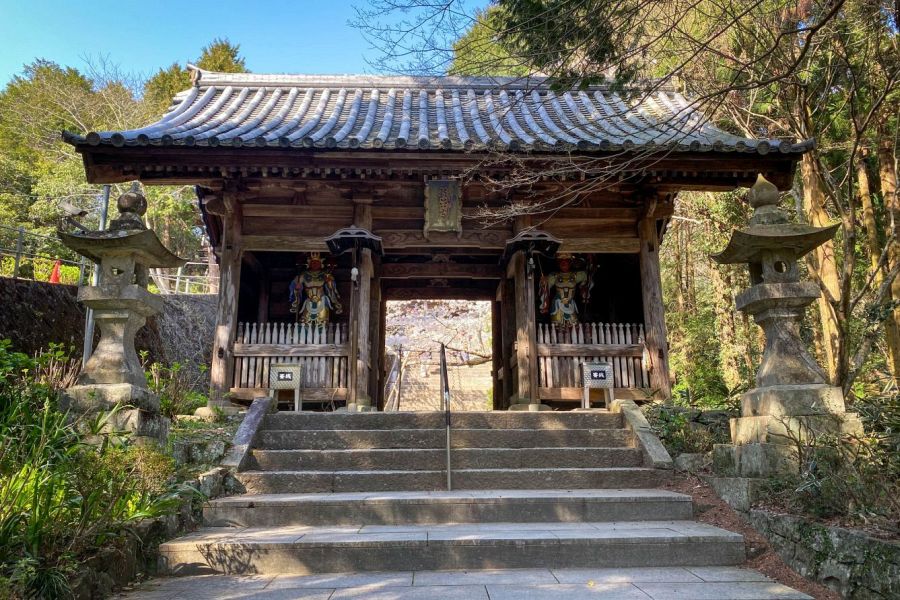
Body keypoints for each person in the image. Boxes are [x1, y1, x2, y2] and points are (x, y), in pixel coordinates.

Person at [289, 253, 342, 327]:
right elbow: (294, 285)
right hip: (309, 301)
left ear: (321, 264)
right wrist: (297, 287)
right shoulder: (303, 274)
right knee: (303, 322)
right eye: (313, 263)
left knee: (323, 323)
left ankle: (322, 336)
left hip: (322, 300)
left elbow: (332, 288)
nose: (315, 264)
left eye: (317, 263)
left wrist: (329, 282)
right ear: (309, 264)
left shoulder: (325, 274)